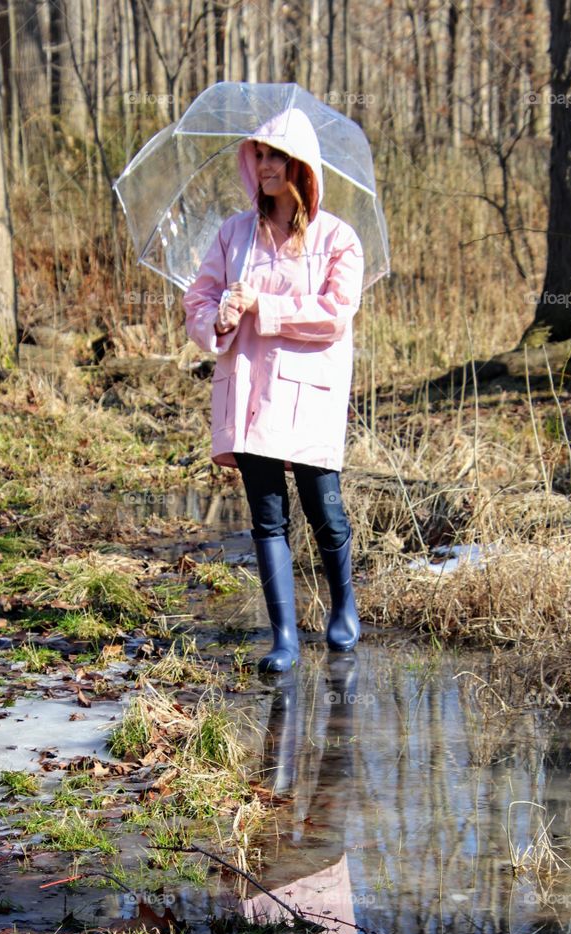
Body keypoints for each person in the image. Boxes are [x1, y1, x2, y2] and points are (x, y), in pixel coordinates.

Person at [182, 106, 365, 674]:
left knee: (325, 510)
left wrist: (266, 306)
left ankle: (344, 608)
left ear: (301, 165)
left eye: (274, 155)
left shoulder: (338, 238)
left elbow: (335, 314)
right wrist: (218, 317)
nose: (263, 165)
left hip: (310, 395)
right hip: (251, 393)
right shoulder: (234, 233)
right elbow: (197, 300)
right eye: (258, 154)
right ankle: (283, 634)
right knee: (267, 516)